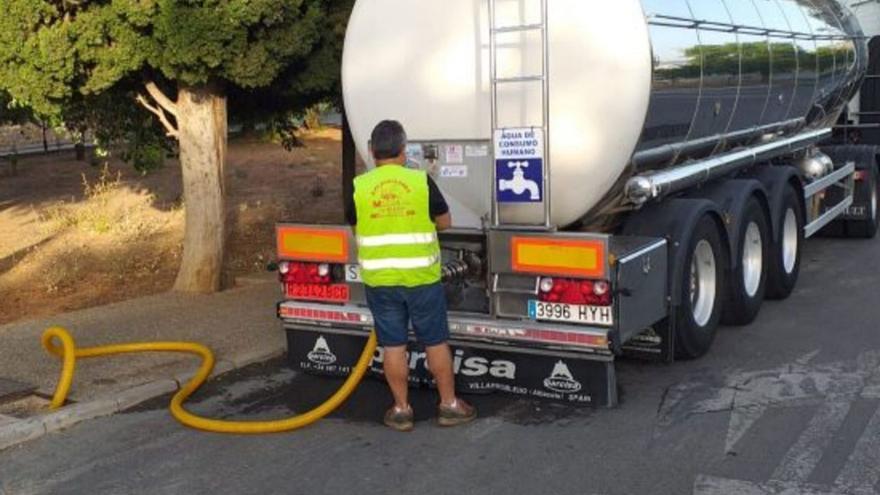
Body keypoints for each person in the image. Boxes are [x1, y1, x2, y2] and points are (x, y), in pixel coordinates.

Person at [346, 120, 476, 432]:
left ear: (371, 151)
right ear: (403, 151)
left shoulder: (359, 187)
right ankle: (449, 405)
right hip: (421, 279)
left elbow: (356, 227)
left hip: (381, 282)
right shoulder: (420, 182)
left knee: (393, 345)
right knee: (434, 341)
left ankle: (402, 410)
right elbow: (444, 222)